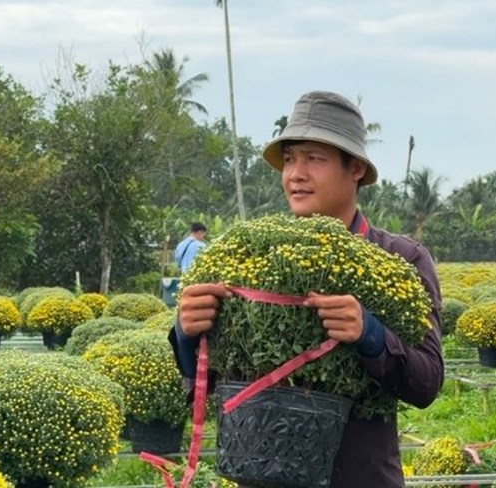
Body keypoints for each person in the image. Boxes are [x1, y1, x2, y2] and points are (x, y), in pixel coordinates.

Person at [169, 91, 444, 488]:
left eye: (314, 158)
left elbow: (427, 382)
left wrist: (370, 334)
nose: (295, 173)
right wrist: (186, 334)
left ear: (356, 170)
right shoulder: (248, 258)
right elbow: (214, 387)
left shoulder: (401, 259)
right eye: (290, 158)